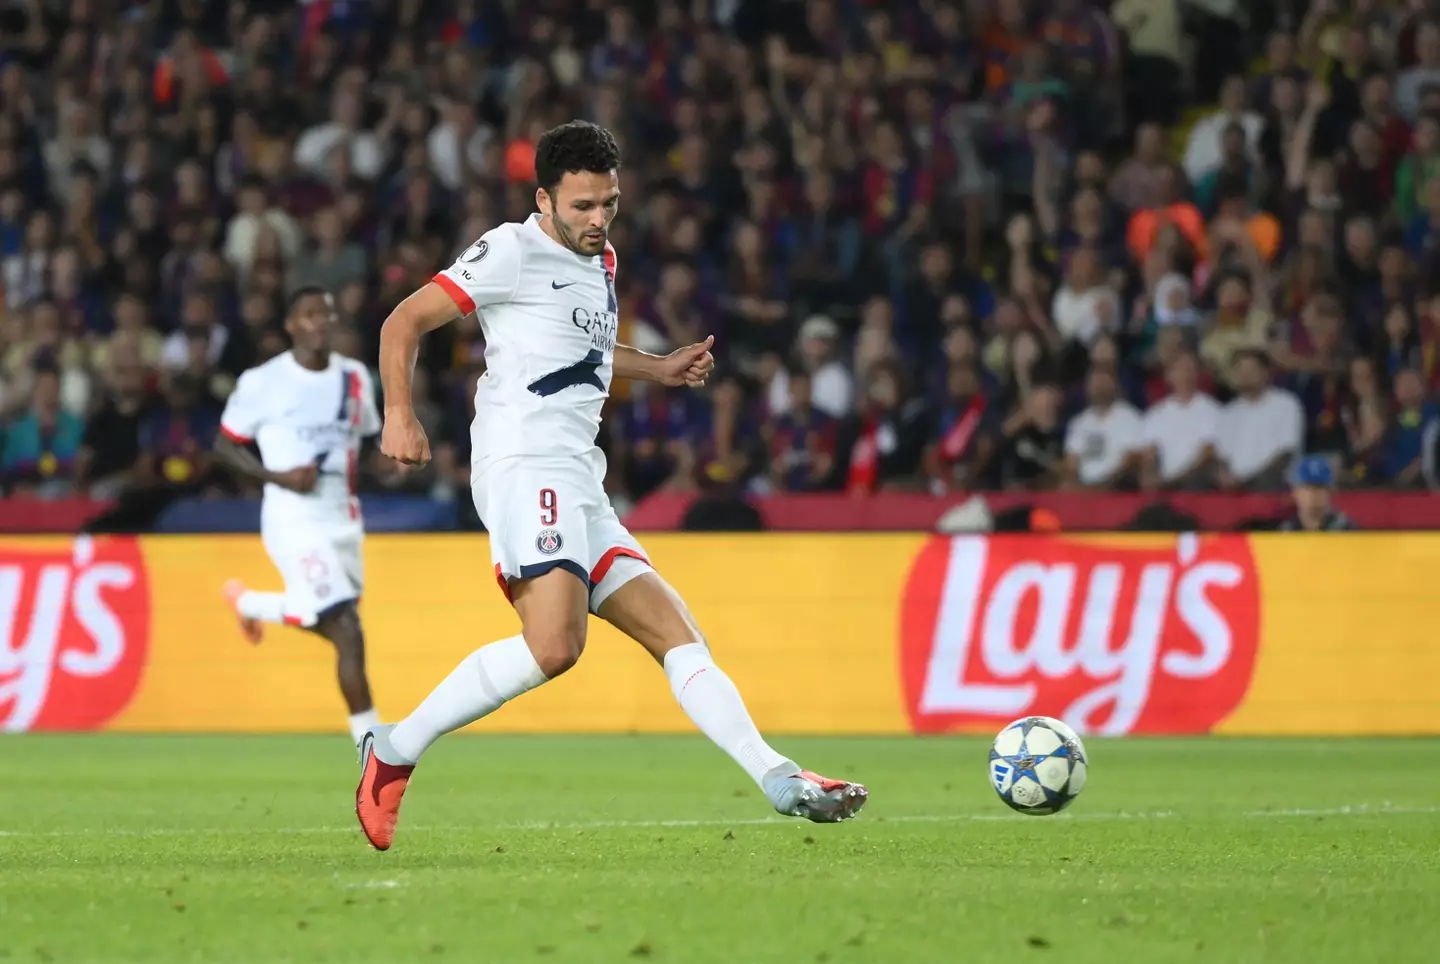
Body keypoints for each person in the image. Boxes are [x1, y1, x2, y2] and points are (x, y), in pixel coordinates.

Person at [360, 121, 867, 851]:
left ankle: (780, 776)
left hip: (578, 474)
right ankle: (394, 753)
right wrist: (400, 415)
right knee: (555, 645)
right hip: (525, 463)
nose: (598, 221)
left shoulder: (602, 260)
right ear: (545, 200)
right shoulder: (511, 250)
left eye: (609, 205)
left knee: (677, 632)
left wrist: (656, 367)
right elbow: (403, 321)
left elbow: (583, 352)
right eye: (582, 208)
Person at [214, 286, 383, 749]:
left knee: (325, 617)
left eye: (325, 315)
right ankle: (373, 752)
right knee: (347, 630)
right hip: (293, 517)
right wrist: (279, 477)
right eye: (308, 315)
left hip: (343, 519)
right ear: (290, 325)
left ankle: (250, 604)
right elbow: (224, 447)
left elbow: (365, 441)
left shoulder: (355, 379)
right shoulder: (263, 381)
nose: (319, 323)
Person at [1279, 455, 1357, 531]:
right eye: (1308, 488)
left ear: (1330, 492)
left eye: (1320, 488)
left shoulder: (1345, 530)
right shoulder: (1286, 532)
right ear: (1295, 492)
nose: (1314, 494)